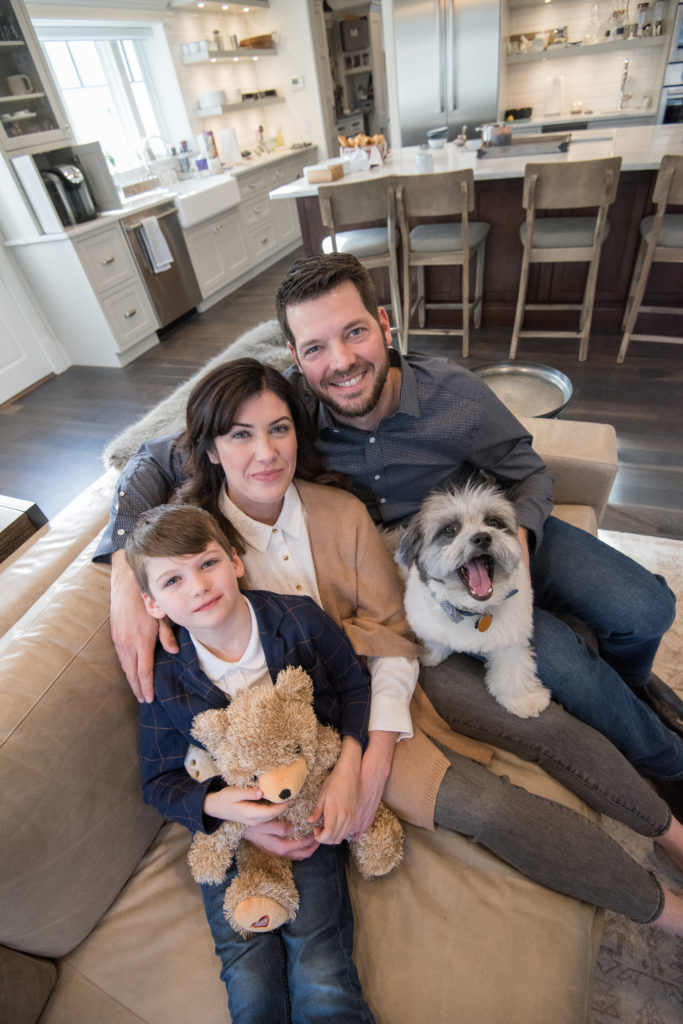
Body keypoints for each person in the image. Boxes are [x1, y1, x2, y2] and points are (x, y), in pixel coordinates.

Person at [100, 358, 683, 939]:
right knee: (490, 810)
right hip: (310, 731)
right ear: (207, 448)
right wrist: (126, 572)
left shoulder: (340, 512)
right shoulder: (196, 553)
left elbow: (392, 631)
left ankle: (671, 832)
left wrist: (373, 752)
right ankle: (666, 913)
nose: (267, 453)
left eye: (279, 429)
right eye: (240, 435)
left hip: (390, 676)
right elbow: (142, 464)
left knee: (547, 727)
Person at [126, 501, 376, 1024]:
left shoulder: (298, 622)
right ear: (152, 606)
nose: (197, 586)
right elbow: (159, 782)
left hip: (307, 812)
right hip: (230, 832)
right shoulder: (166, 678)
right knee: (248, 972)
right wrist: (220, 806)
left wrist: (349, 763)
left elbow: (355, 685)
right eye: (173, 581)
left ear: (235, 561)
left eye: (206, 563)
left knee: (321, 961)